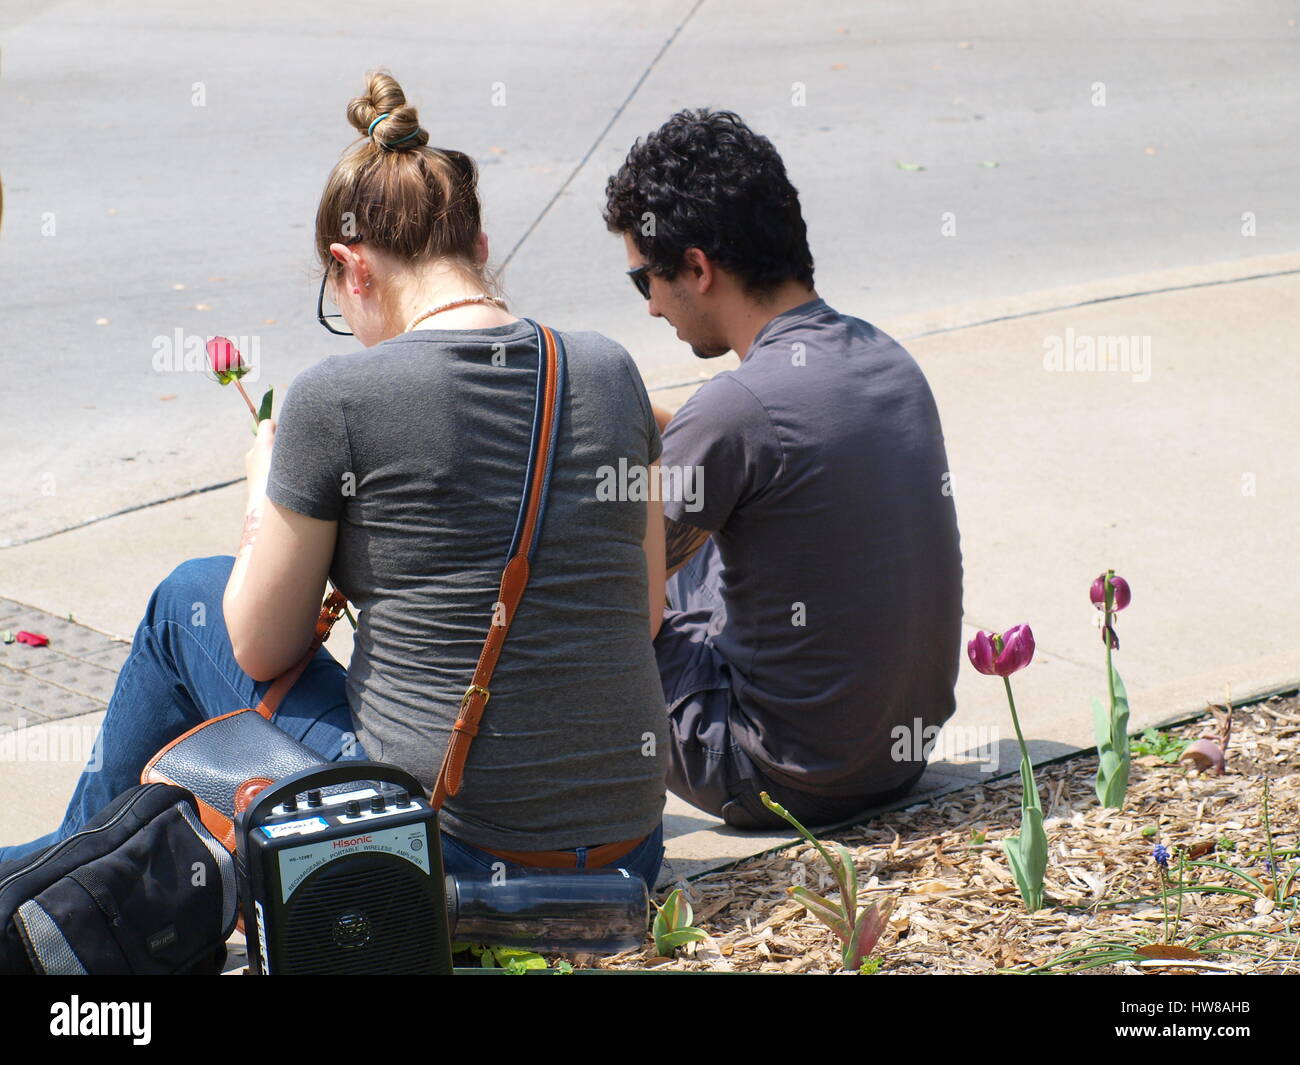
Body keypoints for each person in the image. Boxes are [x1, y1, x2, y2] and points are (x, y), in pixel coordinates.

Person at [0, 71, 669, 886]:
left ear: (353, 268)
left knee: (188, 601)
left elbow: (257, 641)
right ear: (480, 248)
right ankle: (93, 865)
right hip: (626, 850)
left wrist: (263, 488)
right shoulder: (609, 370)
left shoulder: (339, 397)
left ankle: (61, 872)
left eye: (337, 295)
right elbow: (644, 608)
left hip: (437, 849)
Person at [602, 108, 964, 831]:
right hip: (896, 756)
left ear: (697, 268)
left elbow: (621, 608)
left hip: (775, 775)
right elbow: (758, 439)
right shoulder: (887, 359)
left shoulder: (734, 412)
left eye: (645, 279)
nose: (649, 309)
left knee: (586, 581)